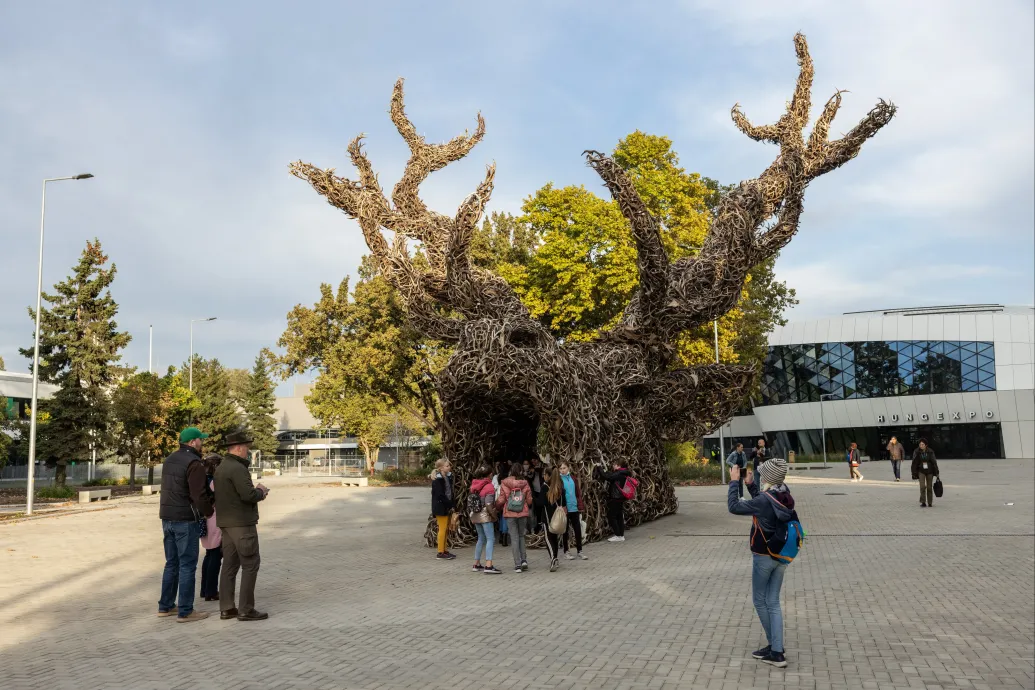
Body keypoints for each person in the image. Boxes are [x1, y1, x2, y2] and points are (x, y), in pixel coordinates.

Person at [727, 458, 796, 669]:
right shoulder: (785, 495)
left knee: (760, 600)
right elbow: (766, 505)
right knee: (773, 602)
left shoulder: (766, 500)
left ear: (768, 477)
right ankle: (775, 649)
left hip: (763, 556)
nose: (758, 476)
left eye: (760, 474)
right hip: (780, 555)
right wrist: (750, 486)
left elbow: (734, 507)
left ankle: (776, 650)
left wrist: (734, 482)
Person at [157, 427, 214, 622]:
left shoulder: (170, 459)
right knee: (187, 565)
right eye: (200, 440)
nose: (202, 442)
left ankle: (165, 606)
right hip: (186, 519)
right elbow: (198, 493)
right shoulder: (194, 463)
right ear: (192, 442)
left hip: (167, 517)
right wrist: (208, 512)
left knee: (171, 563)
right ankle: (186, 611)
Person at [214, 428, 270, 621]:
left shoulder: (222, 467)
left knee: (229, 565)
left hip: (226, 524)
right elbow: (247, 495)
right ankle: (246, 609)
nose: (247, 450)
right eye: (246, 447)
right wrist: (261, 491)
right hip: (242, 524)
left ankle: (227, 607)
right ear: (238, 448)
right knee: (251, 563)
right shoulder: (238, 468)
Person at [497, 462, 533, 572]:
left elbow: (502, 499)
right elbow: (529, 500)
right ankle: (524, 560)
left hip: (510, 513)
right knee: (521, 536)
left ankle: (517, 565)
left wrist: (497, 506)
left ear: (511, 471)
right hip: (522, 512)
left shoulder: (505, 483)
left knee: (514, 538)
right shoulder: (525, 483)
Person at [199, 453, 223, 602]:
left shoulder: (202, 479)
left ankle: (204, 589)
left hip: (205, 518)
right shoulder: (215, 481)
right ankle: (211, 591)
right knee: (215, 555)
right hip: (214, 518)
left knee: (209, 555)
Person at [468, 464, 501, 574]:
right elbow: (488, 504)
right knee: (490, 539)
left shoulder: (474, 484)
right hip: (485, 515)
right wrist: (494, 516)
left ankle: (476, 563)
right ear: (490, 474)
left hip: (475, 514)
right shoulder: (489, 487)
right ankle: (488, 565)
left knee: (481, 539)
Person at [594, 460, 633, 542]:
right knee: (619, 517)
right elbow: (611, 476)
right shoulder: (623, 473)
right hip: (620, 497)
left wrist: (599, 467)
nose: (613, 466)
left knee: (612, 516)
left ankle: (618, 535)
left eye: (614, 465)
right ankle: (621, 536)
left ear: (618, 466)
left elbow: (608, 477)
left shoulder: (619, 473)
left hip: (616, 497)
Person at [558, 462, 588, 561]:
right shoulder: (559, 480)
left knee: (577, 530)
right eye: (561, 468)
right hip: (565, 509)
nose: (562, 470)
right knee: (565, 531)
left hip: (574, 507)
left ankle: (580, 551)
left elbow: (577, 493)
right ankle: (566, 551)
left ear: (568, 468)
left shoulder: (573, 478)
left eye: (564, 468)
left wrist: (580, 505)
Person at [430, 459, 456, 560]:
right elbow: (440, 495)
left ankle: (444, 550)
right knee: (442, 529)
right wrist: (449, 504)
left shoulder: (447, 477)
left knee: (445, 530)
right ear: (441, 468)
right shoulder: (437, 480)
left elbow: (449, 492)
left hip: (446, 506)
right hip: (441, 507)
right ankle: (440, 552)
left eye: (449, 465)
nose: (449, 467)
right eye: (447, 466)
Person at [911, 439, 940, 508]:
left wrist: (937, 472)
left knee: (929, 487)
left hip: (930, 471)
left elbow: (934, 462)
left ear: (926, 445)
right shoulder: (916, 451)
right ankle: (923, 502)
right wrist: (914, 472)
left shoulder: (930, 451)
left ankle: (930, 502)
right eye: (920, 444)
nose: (921, 446)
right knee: (922, 487)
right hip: (921, 471)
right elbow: (914, 463)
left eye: (922, 444)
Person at [526, 454, 547, 533]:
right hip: (535, 492)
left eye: (535, 460)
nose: (534, 462)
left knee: (543, 509)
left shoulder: (543, 466)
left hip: (543, 491)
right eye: (532, 461)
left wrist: (536, 469)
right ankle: (538, 526)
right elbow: (529, 477)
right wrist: (531, 471)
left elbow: (544, 472)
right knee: (537, 511)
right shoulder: (532, 469)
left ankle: (543, 525)